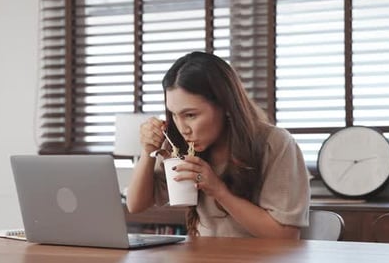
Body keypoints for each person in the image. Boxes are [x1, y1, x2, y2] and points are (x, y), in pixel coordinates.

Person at [126, 51, 311, 238]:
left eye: (191, 115)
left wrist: (219, 191)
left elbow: (285, 236)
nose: (182, 128)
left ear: (226, 106)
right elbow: (136, 205)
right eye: (174, 114)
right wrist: (147, 151)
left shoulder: (275, 143)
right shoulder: (178, 145)